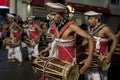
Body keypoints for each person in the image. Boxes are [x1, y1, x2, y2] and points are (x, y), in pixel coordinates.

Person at [39, 2, 94, 75]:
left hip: (69, 61)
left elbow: (91, 38)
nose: (52, 17)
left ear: (61, 15)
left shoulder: (71, 26)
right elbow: (57, 41)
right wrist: (47, 49)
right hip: (58, 58)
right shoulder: (56, 25)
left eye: (54, 15)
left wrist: (89, 58)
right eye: (51, 15)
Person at [82, 11, 117, 80]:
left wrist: (110, 54)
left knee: (100, 76)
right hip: (91, 56)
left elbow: (115, 40)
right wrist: (80, 46)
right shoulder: (90, 28)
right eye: (88, 18)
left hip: (102, 57)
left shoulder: (105, 28)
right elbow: (88, 39)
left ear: (97, 19)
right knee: (89, 75)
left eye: (91, 19)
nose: (89, 21)